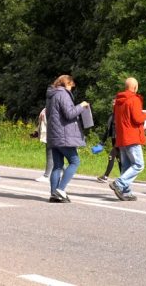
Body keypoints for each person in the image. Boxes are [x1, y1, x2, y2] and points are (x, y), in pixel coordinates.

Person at [45, 75, 89, 203]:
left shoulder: (51, 95)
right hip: (63, 135)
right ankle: (60, 190)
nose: (71, 89)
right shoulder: (63, 94)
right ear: (66, 83)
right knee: (75, 161)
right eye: (71, 86)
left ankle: (54, 194)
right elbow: (69, 114)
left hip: (53, 135)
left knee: (57, 166)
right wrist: (81, 106)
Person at [110, 77, 146, 201]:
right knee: (138, 164)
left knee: (126, 166)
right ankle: (119, 183)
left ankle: (126, 192)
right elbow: (137, 118)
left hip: (121, 137)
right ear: (135, 87)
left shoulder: (118, 101)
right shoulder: (134, 99)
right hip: (132, 137)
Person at [97, 99, 121, 183]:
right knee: (119, 158)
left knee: (111, 156)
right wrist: (102, 142)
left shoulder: (121, 115)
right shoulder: (112, 115)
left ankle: (106, 176)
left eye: (115, 102)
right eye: (112, 102)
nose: (113, 104)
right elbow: (108, 130)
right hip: (114, 139)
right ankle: (123, 178)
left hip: (120, 140)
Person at [34, 108, 53, 182]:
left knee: (50, 154)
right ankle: (66, 171)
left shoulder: (53, 103)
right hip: (52, 132)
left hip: (51, 133)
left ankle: (46, 176)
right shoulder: (50, 104)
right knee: (55, 155)